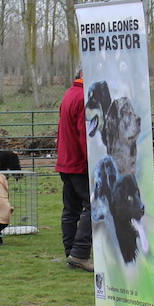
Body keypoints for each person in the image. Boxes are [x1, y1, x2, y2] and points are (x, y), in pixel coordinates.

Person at [56, 69, 93, 271]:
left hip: (65, 161)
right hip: (79, 163)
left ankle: (70, 252)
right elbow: (84, 135)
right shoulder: (85, 97)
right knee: (93, 206)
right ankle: (80, 253)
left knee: (70, 209)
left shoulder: (70, 93)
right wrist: (92, 162)